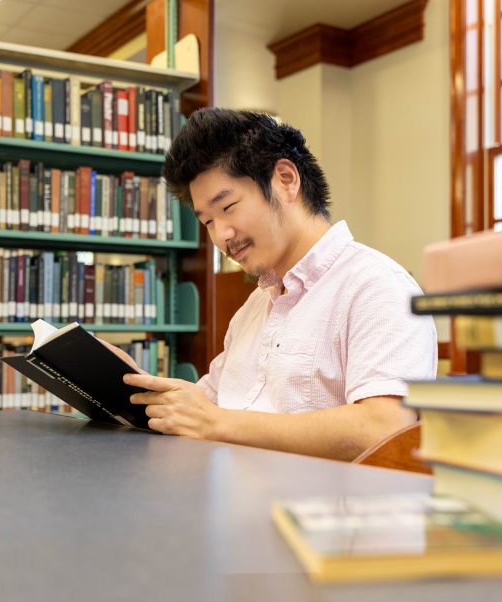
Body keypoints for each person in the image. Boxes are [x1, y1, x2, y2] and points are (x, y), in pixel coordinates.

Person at [118, 108, 437, 461]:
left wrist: (218, 424)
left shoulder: (377, 286)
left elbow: (384, 429)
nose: (221, 236)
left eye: (227, 207)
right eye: (207, 221)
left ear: (285, 179)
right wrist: (124, 384)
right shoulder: (253, 308)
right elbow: (205, 406)